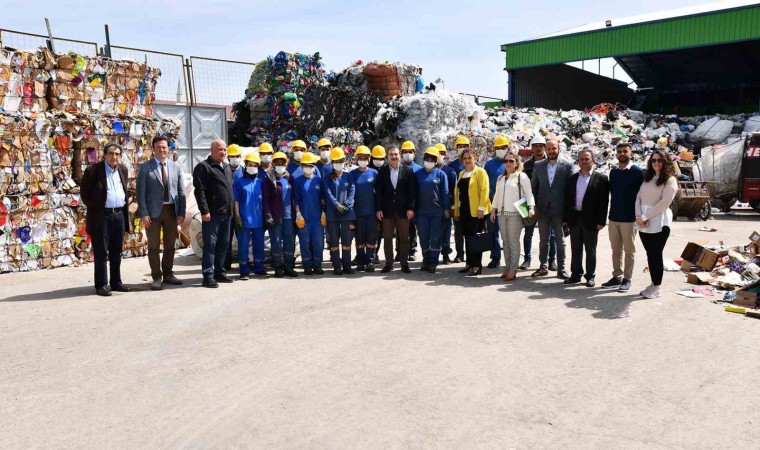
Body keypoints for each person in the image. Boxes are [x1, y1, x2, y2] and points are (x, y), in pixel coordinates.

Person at [80, 143, 132, 296]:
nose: (114, 157)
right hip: (102, 216)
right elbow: (85, 195)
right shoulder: (93, 171)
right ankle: (101, 285)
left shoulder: (123, 169)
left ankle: (116, 282)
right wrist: (97, 208)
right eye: (111, 153)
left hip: (119, 215)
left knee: (116, 251)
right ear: (104, 155)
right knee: (101, 252)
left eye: (117, 154)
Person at [136, 136, 186, 291]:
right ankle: (156, 277)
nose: (161, 150)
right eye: (158, 147)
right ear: (153, 149)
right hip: (153, 214)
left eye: (164, 147)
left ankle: (168, 274)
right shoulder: (145, 168)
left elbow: (181, 191)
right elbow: (140, 193)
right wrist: (144, 213)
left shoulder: (176, 167)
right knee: (153, 246)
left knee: (170, 245)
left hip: (171, 211)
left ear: (168, 149)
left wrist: (181, 212)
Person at [562, 149, 610, 287]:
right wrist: (566, 219)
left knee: (590, 250)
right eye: (581, 159)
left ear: (593, 160)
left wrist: (601, 221)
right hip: (575, 218)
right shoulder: (572, 178)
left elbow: (604, 202)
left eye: (587, 159)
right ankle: (576, 275)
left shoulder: (601, 179)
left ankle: (590, 276)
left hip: (591, 220)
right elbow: (568, 200)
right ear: (578, 161)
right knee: (576, 249)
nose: (584, 161)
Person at [601, 142, 644, 292]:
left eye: (625, 151)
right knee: (616, 250)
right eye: (619, 151)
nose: (622, 154)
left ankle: (627, 279)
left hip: (630, 219)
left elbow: (642, 196)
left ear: (631, 153)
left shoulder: (638, 172)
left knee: (629, 251)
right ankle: (616, 277)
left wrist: (641, 216)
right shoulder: (613, 172)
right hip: (614, 218)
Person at [635, 149, 678, 299]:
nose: (656, 163)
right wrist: (639, 216)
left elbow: (665, 203)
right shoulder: (648, 178)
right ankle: (653, 283)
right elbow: (638, 197)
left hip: (659, 222)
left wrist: (645, 216)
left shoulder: (670, 180)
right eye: (653, 160)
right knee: (650, 254)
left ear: (666, 162)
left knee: (655, 254)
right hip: (643, 222)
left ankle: (657, 287)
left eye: (660, 160)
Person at [193, 139, 234, 288]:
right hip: (212, 214)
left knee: (224, 243)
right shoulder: (204, 167)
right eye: (220, 149)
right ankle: (208, 276)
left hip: (226, 213)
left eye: (225, 149)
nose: (223, 152)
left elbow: (229, 190)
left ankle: (220, 272)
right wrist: (204, 211)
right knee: (210, 244)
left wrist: (230, 210)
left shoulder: (227, 167)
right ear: (212, 150)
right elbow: (200, 191)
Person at [531, 139, 573, 279]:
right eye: (548, 149)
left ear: (558, 149)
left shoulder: (567, 165)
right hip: (543, 209)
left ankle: (561, 268)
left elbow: (570, 190)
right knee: (543, 240)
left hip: (560, 210)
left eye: (554, 148)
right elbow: (534, 187)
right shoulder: (538, 166)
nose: (551, 151)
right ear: (545, 150)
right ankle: (543, 267)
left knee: (560, 241)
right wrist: (532, 206)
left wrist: (568, 212)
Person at [490, 152, 534, 281]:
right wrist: (493, 210)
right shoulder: (500, 178)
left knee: (513, 242)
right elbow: (497, 195)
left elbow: (529, 193)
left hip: (515, 213)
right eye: (506, 161)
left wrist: (531, 207)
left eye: (511, 161)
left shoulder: (521, 176)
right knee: (505, 242)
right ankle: (507, 267)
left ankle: (513, 269)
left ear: (516, 163)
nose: (508, 163)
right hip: (501, 214)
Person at [375, 146, 416, 273]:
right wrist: (378, 209)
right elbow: (378, 192)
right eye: (391, 154)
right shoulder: (382, 172)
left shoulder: (408, 171)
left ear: (399, 156)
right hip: (387, 210)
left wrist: (411, 208)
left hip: (403, 210)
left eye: (396, 154)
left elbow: (412, 191)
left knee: (404, 237)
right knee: (387, 238)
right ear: (387, 157)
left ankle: (404, 263)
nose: (394, 157)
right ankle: (389, 263)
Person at [454, 148, 492, 276]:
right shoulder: (461, 173)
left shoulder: (480, 172)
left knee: (475, 238)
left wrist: (481, 208)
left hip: (476, 211)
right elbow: (458, 193)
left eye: (469, 158)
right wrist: (457, 210)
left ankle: (476, 265)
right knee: (467, 237)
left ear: (475, 158)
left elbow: (484, 191)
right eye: (465, 158)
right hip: (464, 211)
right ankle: (469, 263)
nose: (467, 160)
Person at [521, 135, 556, 270]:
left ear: (545, 148)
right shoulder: (527, 165)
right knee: (528, 233)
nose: (538, 149)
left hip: (547, 203)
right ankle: (527, 259)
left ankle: (551, 261)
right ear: (532, 148)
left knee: (550, 235)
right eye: (535, 146)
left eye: (540, 146)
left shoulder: (551, 163)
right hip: (529, 202)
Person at [415, 147, 450, 273]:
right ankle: (426, 259)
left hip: (437, 213)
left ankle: (433, 262)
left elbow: (445, 193)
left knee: (435, 237)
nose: (429, 162)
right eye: (427, 159)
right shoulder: (417, 174)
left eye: (432, 160)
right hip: (421, 213)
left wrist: (446, 209)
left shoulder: (441, 174)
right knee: (423, 237)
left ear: (435, 161)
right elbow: (413, 194)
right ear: (423, 160)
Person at [263, 152, 298, 278]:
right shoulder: (268, 179)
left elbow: (295, 197)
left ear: (286, 164)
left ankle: (288, 267)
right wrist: (268, 215)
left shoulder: (289, 178)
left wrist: (297, 213)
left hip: (289, 217)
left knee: (289, 242)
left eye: (282, 162)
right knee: (276, 242)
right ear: (273, 164)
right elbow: (265, 199)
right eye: (277, 162)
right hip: (275, 216)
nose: (280, 165)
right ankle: (278, 267)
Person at [233, 152, 267, 279]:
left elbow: (265, 201)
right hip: (244, 219)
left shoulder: (260, 182)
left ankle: (259, 268)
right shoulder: (239, 182)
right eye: (250, 165)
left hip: (258, 220)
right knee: (243, 246)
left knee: (259, 245)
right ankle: (244, 271)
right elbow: (236, 200)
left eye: (255, 165)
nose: (252, 167)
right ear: (246, 165)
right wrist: (237, 216)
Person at [323, 147, 356, 275]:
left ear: (344, 161)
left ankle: (347, 265)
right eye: (336, 161)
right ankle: (337, 266)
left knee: (347, 241)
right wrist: (336, 205)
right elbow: (327, 193)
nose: (338, 163)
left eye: (340, 161)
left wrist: (346, 206)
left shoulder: (349, 176)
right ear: (332, 162)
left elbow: (352, 191)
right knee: (334, 241)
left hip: (347, 214)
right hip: (333, 214)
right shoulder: (327, 177)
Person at [294, 152, 326, 275]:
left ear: (314, 166)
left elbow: (322, 198)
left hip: (317, 218)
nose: (308, 167)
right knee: (305, 243)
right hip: (304, 218)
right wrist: (298, 213)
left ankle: (317, 265)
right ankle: (307, 265)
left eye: (311, 165)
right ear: (302, 166)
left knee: (318, 244)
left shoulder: (319, 181)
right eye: (306, 165)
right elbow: (296, 199)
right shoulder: (298, 181)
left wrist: (324, 212)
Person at [484, 135, 511, 269]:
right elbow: (485, 184)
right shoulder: (489, 165)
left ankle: (511, 259)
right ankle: (495, 257)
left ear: (508, 148)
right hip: (493, 204)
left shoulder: (512, 162)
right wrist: (491, 196)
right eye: (498, 148)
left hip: (510, 204)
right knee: (493, 232)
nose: (501, 149)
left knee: (510, 233)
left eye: (503, 147)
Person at [351, 145, 379, 272]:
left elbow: (379, 194)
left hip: (372, 213)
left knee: (371, 238)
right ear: (357, 159)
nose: (363, 160)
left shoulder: (374, 173)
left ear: (369, 159)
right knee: (360, 239)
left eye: (365, 158)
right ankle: (360, 261)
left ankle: (370, 261)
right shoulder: (352, 174)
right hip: (358, 213)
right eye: (361, 158)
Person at [449, 136, 471, 262]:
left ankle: (470, 254)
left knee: (470, 230)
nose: (462, 148)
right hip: (458, 202)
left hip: (471, 202)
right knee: (458, 230)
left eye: (465, 146)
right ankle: (459, 254)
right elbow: (450, 186)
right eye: (460, 146)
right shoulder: (452, 166)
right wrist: (452, 203)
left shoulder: (476, 165)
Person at [223, 143, 244, 272]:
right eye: (232, 156)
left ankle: (243, 262)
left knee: (242, 238)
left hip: (241, 211)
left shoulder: (244, 171)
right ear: (228, 157)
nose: (235, 158)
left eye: (237, 156)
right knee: (226, 238)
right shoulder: (223, 170)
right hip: (227, 210)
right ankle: (225, 264)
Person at [400, 140, 421, 261]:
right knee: (400, 228)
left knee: (412, 228)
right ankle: (399, 251)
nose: (408, 154)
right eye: (405, 152)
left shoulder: (418, 169)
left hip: (414, 203)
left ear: (414, 153)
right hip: (401, 203)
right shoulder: (398, 167)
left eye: (410, 152)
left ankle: (412, 251)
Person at [436, 143, 457, 265]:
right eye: (438, 153)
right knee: (433, 233)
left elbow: (454, 190)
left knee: (446, 232)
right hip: (432, 207)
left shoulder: (450, 172)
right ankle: (432, 256)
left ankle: (445, 255)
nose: (440, 155)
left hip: (446, 207)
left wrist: (452, 206)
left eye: (442, 153)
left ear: (446, 155)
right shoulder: (428, 171)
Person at [371, 145, 387, 265]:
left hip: (382, 206)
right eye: (376, 158)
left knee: (378, 232)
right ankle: (362, 254)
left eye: (381, 158)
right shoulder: (367, 169)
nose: (378, 160)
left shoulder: (386, 170)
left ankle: (375, 253)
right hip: (368, 205)